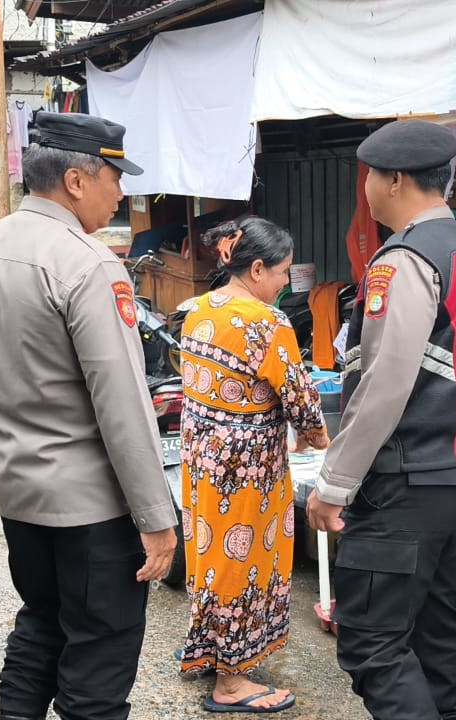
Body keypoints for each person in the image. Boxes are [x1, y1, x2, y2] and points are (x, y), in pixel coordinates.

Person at [0, 112, 178, 720]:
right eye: (114, 177)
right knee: (99, 661)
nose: (121, 193)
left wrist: (4, 468)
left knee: (40, 629)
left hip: (20, 497)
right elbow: (123, 404)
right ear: (77, 181)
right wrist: (157, 517)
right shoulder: (89, 263)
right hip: (92, 512)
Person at [305, 119, 456, 720]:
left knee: (370, 638)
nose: (364, 189)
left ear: (391, 179)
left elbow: (385, 384)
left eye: (368, 177)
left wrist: (334, 484)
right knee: (437, 630)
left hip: (410, 480)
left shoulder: (404, 258)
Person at [176, 217, 329, 713]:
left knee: (209, 555)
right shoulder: (267, 323)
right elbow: (301, 400)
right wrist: (319, 439)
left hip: (202, 460)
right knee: (243, 564)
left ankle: (205, 650)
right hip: (247, 469)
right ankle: (231, 682)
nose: (287, 282)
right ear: (257, 267)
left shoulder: (197, 310)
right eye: (283, 271)